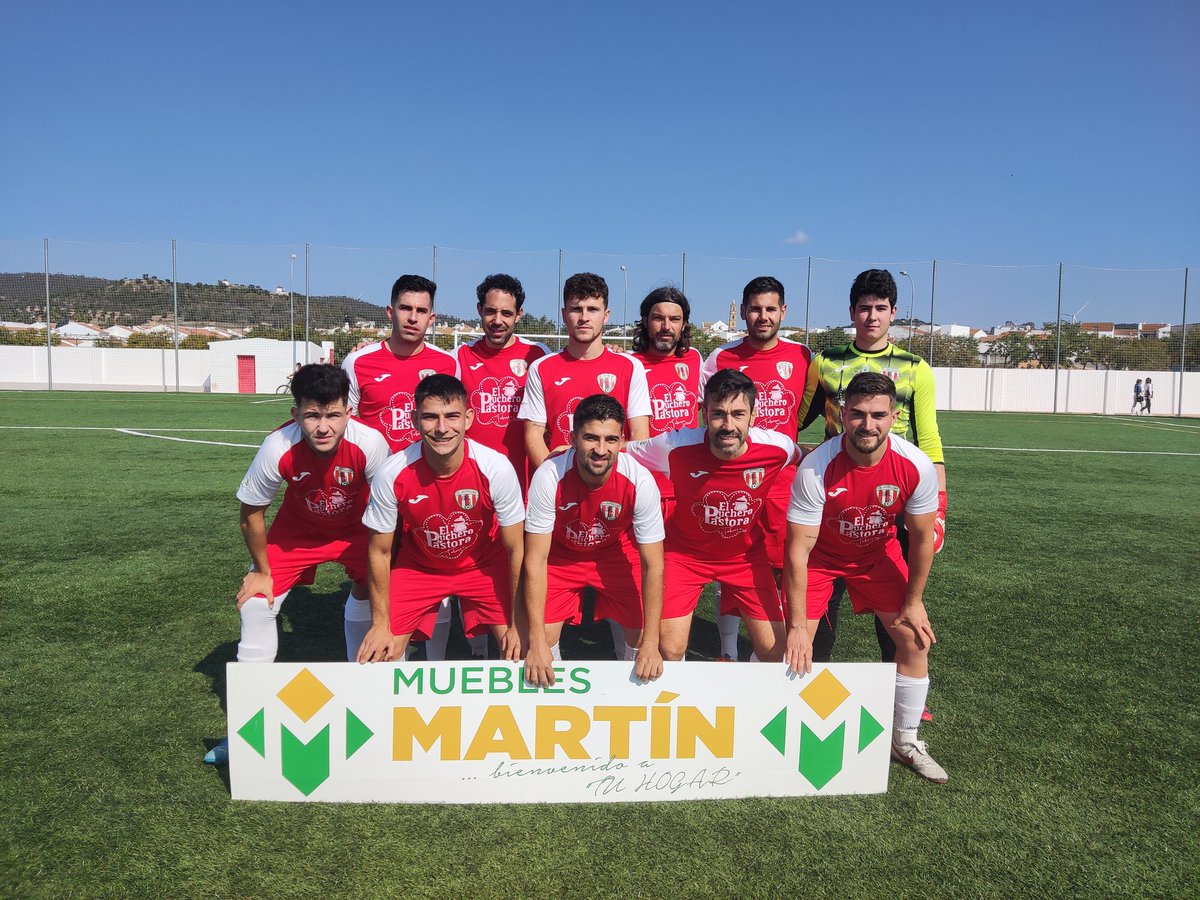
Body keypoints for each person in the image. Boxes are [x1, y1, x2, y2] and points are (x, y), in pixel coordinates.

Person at [204, 363, 389, 764]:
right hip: (297, 532)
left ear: (348, 412)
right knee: (256, 604)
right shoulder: (277, 446)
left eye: (333, 415)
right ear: (296, 414)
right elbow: (251, 511)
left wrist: (382, 566)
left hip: (358, 530)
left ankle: (366, 707)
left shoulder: (371, 444)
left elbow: (387, 508)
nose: (323, 427)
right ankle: (245, 730)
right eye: (312, 415)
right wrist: (261, 570)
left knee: (373, 596)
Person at [784, 372, 948, 783]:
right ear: (842, 415)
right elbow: (798, 551)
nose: (867, 424)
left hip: (877, 556)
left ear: (894, 416)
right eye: (857, 414)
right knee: (785, 644)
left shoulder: (916, 465)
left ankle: (904, 740)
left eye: (878, 415)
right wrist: (798, 625)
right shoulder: (815, 466)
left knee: (913, 638)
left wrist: (913, 601)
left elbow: (922, 539)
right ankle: (784, 733)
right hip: (823, 558)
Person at [796, 269, 948, 681]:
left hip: (895, 493)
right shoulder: (825, 362)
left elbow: (928, 437)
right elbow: (797, 420)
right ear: (852, 312)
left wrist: (941, 502)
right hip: (834, 488)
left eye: (881, 308)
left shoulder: (916, 367)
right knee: (824, 593)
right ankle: (810, 676)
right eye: (864, 308)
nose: (872, 317)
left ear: (894, 312)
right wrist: (804, 455)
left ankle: (900, 689)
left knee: (896, 597)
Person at [625, 369, 800, 662]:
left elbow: (807, 456)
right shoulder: (674, 445)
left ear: (753, 416)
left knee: (775, 650)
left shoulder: (777, 448)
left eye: (738, 414)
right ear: (704, 414)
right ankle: (681, 702)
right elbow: (626, 451)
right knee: (670, 648)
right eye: (718, 414)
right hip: (685, 556)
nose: (728, 425)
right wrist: (573, 449)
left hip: (745, 557)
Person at [357, 375, 524, 664]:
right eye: (431, 417)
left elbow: (515, 549)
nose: (442, 428)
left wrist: (517, 621)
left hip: (483, 565)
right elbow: (380, 551)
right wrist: (379, 624)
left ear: (469, 418)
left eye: (452, 416)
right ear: (414, 419)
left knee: (520, 649)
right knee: (382, 653)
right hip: (420, 568)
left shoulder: (496, 467)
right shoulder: (392, 472)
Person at [700, 276, 813, 660]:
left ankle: (757, 653)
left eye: (770, 309)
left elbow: (810, 408)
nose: (762, 317)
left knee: (779, 566)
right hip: (731, 477)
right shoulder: (720, 358)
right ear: (743, 311)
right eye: (755, 309)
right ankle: (728, 651)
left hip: (782, 482)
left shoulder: (802, 356)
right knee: (730, 561)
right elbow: (707, 419)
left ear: (783, 312)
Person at [522, 395, 665, 686]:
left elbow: (654, 564)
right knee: (542, 636)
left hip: (615, 551)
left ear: (622, 440)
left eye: (611, 439)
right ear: (573, 438)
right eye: (591, 438)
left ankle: (630, 694)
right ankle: (554, 695)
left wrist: (652, 641)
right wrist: (535, 640)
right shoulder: (549, 475)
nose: (601, 450)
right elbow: (535, 560)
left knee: (641, 635)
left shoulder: (640, 479)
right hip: (563, 555)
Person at [518, 272, 651, 470]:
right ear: (564, 314)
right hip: (561, 487)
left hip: (614, 485)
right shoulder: (542, 368)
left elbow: (639, 438)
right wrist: (554, 479)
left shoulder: (630, 367)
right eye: (576, 309)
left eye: (593, 309)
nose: (584, 318)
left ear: (606, 315)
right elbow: (533, 435)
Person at [342, 274, 459, 453]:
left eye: (421, 310)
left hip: (430, 475)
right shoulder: (357, 362)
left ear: (431, 318)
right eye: (405, 308)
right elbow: (342, 423)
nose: (413, 317)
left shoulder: (449, 363)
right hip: (377, 474)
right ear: (390, 312)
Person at [456, 273, 549, 491]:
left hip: (526, 483)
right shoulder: (459, 357)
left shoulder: (538, 354)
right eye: (490, 311)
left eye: (506, 313)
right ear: (479, 310)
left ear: (519, 315)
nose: (498, 321)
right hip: (475, 483)